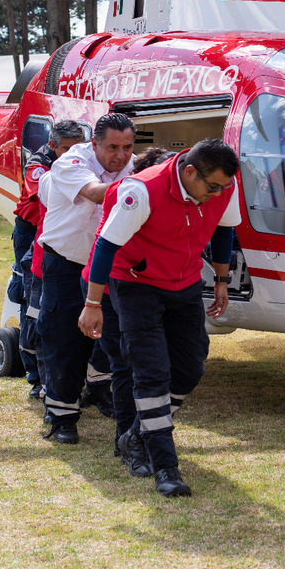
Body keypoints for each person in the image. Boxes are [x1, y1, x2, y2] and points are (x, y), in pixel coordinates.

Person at [80, 138, 241, 497]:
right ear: (189, 172)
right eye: (211, 187)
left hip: (183, 282)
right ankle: (166, 468)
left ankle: (135, 435)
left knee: (190, 368)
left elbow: (224, 229)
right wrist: (92, 303)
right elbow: (106, 244)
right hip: (136, 285)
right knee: (150, 372)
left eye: (224, 187)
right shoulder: (143, 190)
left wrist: (222, 279)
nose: (217, 195)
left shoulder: (224, 186)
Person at [38, 112, 135, 443]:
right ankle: (62, 415)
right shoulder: (70, 162)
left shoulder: (134, 166)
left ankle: (98, 388)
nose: (120, 156)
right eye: (112, 147)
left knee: (114, 339)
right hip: (66, 263)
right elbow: (96, 193)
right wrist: (143, 188)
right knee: (65, 339)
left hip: (109, 266)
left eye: (127, 147)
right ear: (94, 144)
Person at [81, 146, 178, 477]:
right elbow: (116, 252)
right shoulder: (130, 196)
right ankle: (127, 442)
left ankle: (140, 436)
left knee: (155, 366)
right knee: (125, 365)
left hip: (145, 289)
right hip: (110, 287)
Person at [11, 120, 86, 398]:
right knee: (31, 299)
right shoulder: (40, 165)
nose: (71, 154)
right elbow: (42, 192)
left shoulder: (81, 163)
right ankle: (35, 375)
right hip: (31, 231)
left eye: (77, 148)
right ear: (53, 146)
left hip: (55, 232)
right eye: (65, 149)